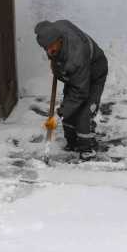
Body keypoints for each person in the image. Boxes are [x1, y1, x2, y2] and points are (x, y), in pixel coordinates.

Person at [35, 20, 108, 160]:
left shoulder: (76, 57)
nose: (48, 51)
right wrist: (57, 68)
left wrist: (58, 116)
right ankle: (73, 144)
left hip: (94, 73)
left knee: (83, 115)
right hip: (74, 75)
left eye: (51, 48)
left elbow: (80, 92)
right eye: (46, 48)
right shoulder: (56, 29)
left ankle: (88, 149)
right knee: (69, 115)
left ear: (59, 40)